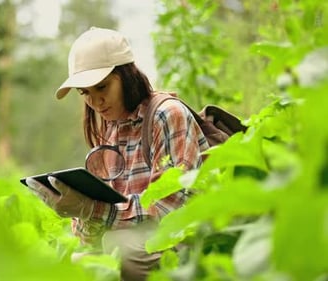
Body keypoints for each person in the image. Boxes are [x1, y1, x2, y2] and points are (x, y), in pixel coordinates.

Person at [26, 27, 209, 281]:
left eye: (102, 87)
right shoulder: (109, 136)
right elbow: (93, 232)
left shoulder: (167, 115)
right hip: (138, 244)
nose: (96, 102)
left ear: (127, 75)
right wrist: (78, 212)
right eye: (85, 93)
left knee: (122, 249)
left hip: (184, 239)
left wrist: (93, 209)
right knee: (72, 264)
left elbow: (171, 209)